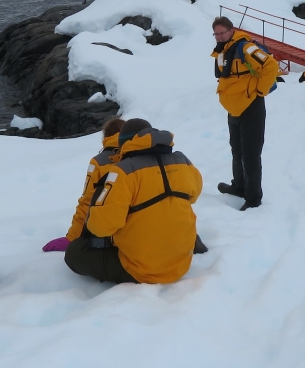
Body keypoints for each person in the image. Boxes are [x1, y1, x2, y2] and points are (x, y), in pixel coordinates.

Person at [64, 119, 203, 284]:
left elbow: (101, 227)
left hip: (143, 270)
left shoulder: (123, 171)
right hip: (181, 265)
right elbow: (194, 196)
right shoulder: (183, 161)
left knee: (74, 253)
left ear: (124, 144)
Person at [211, 15, 279, 210]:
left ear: (231, 30)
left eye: (222, 33)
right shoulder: (223, 51)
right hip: (234, 108)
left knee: (250, 155)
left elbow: (271, 66)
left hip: (251, 107)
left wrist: (259, 91)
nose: (218, 37)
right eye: (216, 34)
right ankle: (239, 186)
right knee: (237, 150)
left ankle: (254, 197)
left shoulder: (246, 47)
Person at [63, 117, 125, 245]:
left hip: (108, 233)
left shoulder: (98, 162)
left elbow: (87, 201)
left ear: (105, 137)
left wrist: (72, 237)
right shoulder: (143, 157)